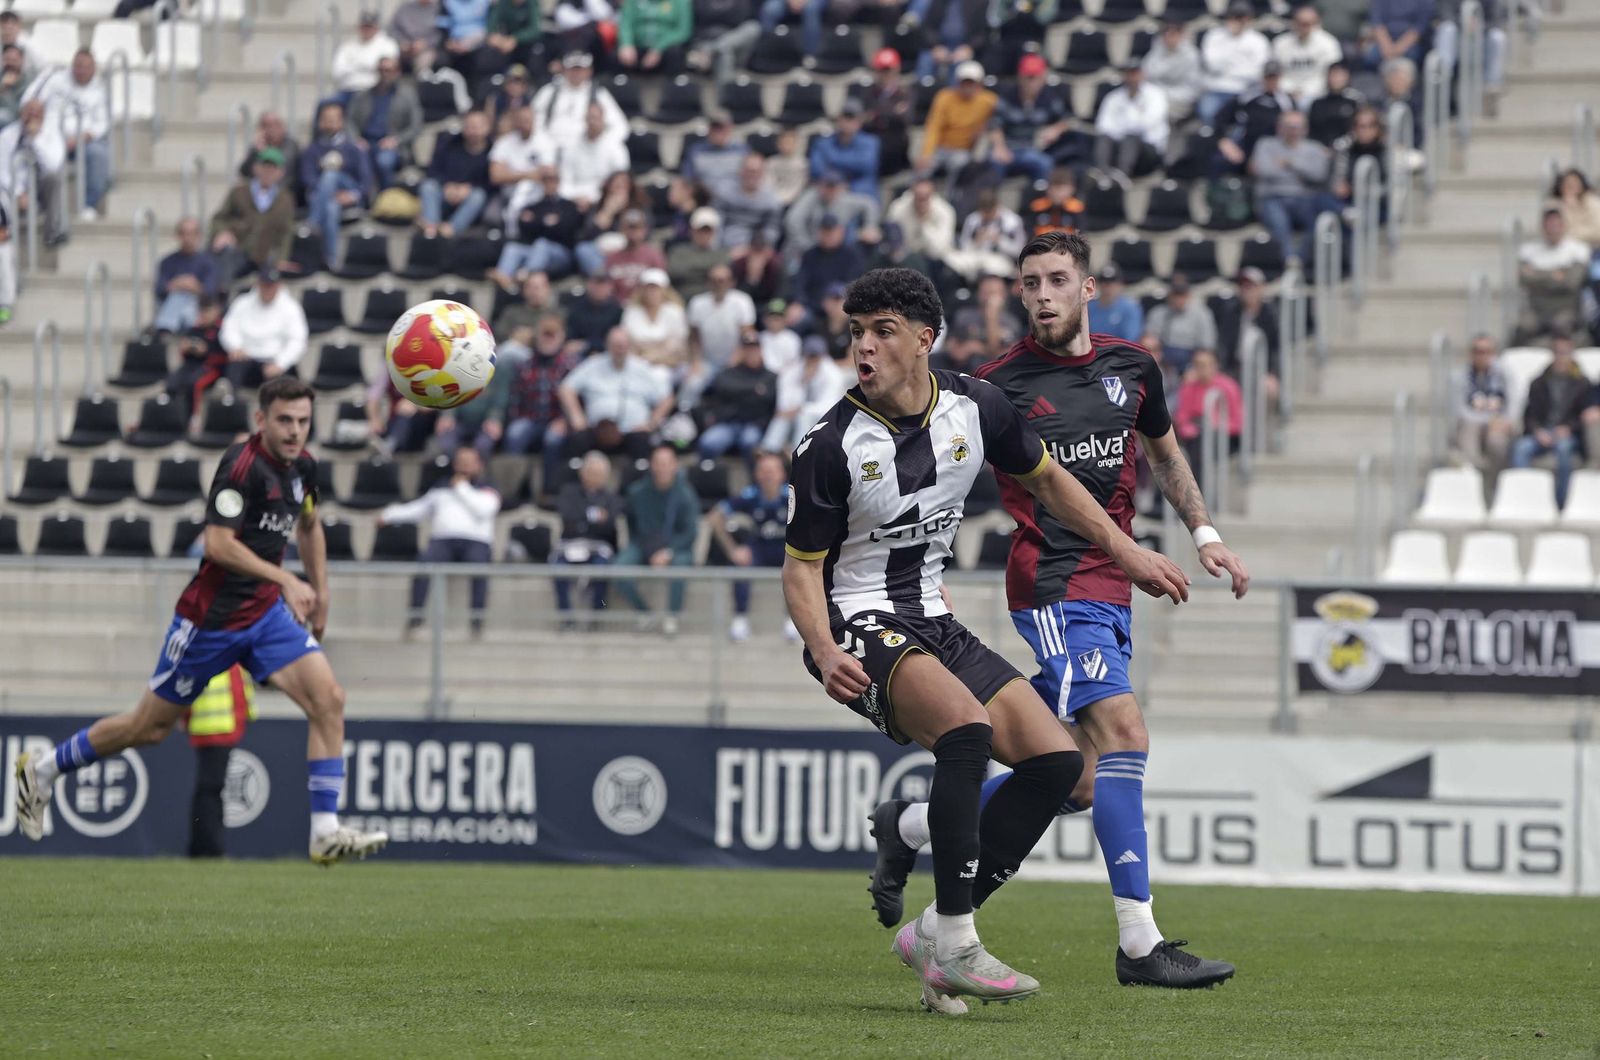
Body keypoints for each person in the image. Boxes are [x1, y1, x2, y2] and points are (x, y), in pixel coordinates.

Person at [783, 266, 1191, 1011]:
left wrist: (1128, 551)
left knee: (1062, 764)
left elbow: (1053, 482)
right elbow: (801, 569)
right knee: (966, 731)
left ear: (923, 340)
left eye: (882, 332)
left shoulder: (976, 407)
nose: (863, 348)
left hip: (930, 618)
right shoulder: (831, 444)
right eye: (856, 333)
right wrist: (823, 646)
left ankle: (931, 928)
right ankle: (959, 944)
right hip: (857, 618)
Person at [870, 234, 1242, 991]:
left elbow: (1165, 453)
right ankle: (1139, 944)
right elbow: (939, 472)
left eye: (1056, 280)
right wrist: (922, 567)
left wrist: (1205, 534)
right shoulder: (994, 386)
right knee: (1123, 734)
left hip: (1115, 583)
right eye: (1029, 282)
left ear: (1088, 287)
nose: (1042, 294)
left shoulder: (1132, 366)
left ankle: (911, 830)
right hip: (1055, 580)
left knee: (1070, 774)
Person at [13, 377, 387, 864]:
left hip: (266, 616)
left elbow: (310, 525)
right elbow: (218, 545)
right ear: (261, 420)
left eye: (303, 421)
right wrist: (288, 579)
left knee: (329, 700)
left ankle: (324, 830)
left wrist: (322, 590)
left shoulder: (305, 469)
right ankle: (42, 771)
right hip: (208, 622)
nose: (295, 431)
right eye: (285, 421)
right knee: (147, 729)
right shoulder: (242, 466)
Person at [381, 446, 501, 635]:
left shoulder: (488, 489)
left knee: (480, 568)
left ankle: (477, 620)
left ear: (479, 465)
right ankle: (416, 617)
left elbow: (483, 510)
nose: (464, 466)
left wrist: (461, 487)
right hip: (443, 542)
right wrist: (389, 515)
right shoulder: (441, 488)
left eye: (469, 462)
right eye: (461, 462)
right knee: (425, 562)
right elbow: (418, 509)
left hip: (476, 542)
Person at [615, 443, 699, 635]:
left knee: (681, 565)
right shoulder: (637, 492)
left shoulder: (686, 494)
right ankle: (644, 612)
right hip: (643, 544)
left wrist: (667, 552)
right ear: (651, 465)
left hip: (676, 548)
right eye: (658, 463)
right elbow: (633, 525)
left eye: (667, 463)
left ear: (675, 465)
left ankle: (672, 616)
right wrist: (649, 550)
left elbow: (689, 533)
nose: (662, 468)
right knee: (619, 568)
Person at [558, 325, 674, 464]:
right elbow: (566, 388)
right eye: (616, 345)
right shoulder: (592, 365)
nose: (619, 349)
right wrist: (577, 417)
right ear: (607, 345)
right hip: (598, 429)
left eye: (623, 345)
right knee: (577, 440)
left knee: (642, 444)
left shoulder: (643, 368)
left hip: (632, 431)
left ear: (629, 346)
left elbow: (667, 398)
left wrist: (651, 423)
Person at [709, 449, 790, 641]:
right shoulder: (750, 495)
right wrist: (733, 549)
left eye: (773, 470)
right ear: (756, 474)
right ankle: (740, 618)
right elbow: (715, 516)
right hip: (760, 547)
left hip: (787, 549)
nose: (768, 475)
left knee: (802, 568)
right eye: (763, 470)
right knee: (740, 565)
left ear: (782, 474)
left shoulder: (793, 495)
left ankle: (793, 620)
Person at [26, 49, 111, 221]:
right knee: (32, 152)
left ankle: (88, 204)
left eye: (86, 67)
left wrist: (79, 139)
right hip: (49, 135)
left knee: (98, 153)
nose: (81, 70)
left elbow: (101, 124)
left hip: (81, 141)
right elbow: (34, 102)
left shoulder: (99, 90)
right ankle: (37, 204)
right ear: (72, 65)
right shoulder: (56, 80)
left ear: (93, 69)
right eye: (78, 65)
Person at [182, 665, 256, 857]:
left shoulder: (209, 655)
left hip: (206, 728)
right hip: (220, 730)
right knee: (211, 790)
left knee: (207, 790)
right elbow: (240, 698)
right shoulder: (230, 661)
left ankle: (203, 846)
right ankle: (208, 848)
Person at [1510, 332, 1589, 507]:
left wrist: (1568, 428)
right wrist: (1538, 431)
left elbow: (1584, 416)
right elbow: (1529, 415)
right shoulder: (1538, 382)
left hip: (1568, 435)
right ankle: (1524, 500)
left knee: (1564, 448)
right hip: (1542, 433)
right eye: (1558, 352)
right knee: (1521, 448)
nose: (1561, 357)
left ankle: (1560, 504)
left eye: (1565, 352)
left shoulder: (1583, 383)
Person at [1248, 110, 1332, 264]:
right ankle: (1288, 261)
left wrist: (1290, 163)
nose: (1293, 130)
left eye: (1297, 126)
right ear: (1279, 127)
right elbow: (1263, 170)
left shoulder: (1314, 148)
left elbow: (1319, 174)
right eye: (1288, 126)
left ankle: (1299, 259)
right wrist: (1300, 173)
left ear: (1305, 129)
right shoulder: (1265, 144)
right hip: (1272, 197)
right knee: (1279, 223)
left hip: (1304, 198)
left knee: (1320, 221)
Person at [494, 165, 601, 284]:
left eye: (553, 179)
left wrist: (537, 221)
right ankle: (503, 279)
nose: (550, 183)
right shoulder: (534, 205)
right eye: (546, 179)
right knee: (513, 248)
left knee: (542, 244)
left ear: (558, 181)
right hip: (535, 250)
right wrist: (547, 222)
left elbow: (566, 230)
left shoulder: (569, 206)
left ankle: (527, 276)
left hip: (561, 255)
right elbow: (524, 227)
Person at [301, 102, 378, 264]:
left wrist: (352, 195)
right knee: (331, 208)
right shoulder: (312, 149)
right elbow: (307, 178)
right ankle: (331, 260)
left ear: (342, 121)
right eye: (325, 119)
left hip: (348, 193)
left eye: (333, 119)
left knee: (331, 175)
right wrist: (328, 193)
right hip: (326, 198)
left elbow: (366, 181)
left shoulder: (354, 148)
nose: (329, 123)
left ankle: (313, 222)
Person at [987, 54, 1083, 183]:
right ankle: (991, 201)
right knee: (992, 163)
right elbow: (994, 124)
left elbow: (1068, 119)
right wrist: (999, 147)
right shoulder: (1007, 95)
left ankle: (1039, 197)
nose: (1031, 82)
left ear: (1043, 77)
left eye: (1035, 77)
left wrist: (1055, 129)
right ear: (1020, 76)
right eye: (1028, 77)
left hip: (1031, 149)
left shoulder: (1049, 98)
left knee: (1045, 163)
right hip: (1007, 148)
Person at [553, 451, 622, 622]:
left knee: (601, 570)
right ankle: (566, 617)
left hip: (598, 547)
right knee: (558, 569)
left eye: (598, 474)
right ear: (582, 473)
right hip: (570, 544)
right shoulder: (569, 492)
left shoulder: (610, 498)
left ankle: (597, 614)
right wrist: (593, 516)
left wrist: (584, 518)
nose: (594, 477)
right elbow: (568, 517)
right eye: (590, 472)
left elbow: (609, 525)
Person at [219, 268, 309, 388]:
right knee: (232, 372)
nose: (268, 290)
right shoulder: (242, 302)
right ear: (258, 284)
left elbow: (297, 340)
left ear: (279, 286)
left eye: (272, 286)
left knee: (286, 384)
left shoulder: (291, 307)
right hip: (246, 357)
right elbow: (229, 327)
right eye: (265, 285)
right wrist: (235, 346)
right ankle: (230, 403)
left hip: (274, 360)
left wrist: (281, 363)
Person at [1515, 207, 1591, 344]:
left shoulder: (1577, 250)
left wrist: (1537, 275)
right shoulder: (1529, 250)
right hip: (1537, 309)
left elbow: (1571, 282)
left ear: (1564, 226)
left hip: (1566, 308)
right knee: (1522, 327)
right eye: (1549, 225)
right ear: (1543, 227)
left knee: (1562, 326)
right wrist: (1555, 275)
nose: (1553, 229)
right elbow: (1524, 279)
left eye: (1557, 225)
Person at [696, 328, 776, 458]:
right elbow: (722, 387)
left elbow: (769, 398)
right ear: (741, 351)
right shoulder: (730, 372)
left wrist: (739, 392)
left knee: (749, 442)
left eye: (754, 349)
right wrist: (753, 389)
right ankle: (705, 475)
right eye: (747, 349)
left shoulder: (770, 376)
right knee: (708, 443)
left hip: (754, 424)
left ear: (761, 350)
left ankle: (754, 478)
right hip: (729, 423)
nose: (751, 353)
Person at [1172, 348, 1243, 493]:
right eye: (1197, 365)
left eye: (1205, 364)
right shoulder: (1188, 387)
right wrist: (1191, 429)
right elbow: (1182, 418)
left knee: (1202, 445)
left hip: (1223, 436)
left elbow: (1237, 423)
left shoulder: (1228, 386)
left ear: (1215, 365)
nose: (1201, 369)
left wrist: (1215, 425)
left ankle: (1199, 495)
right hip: (1195, 434)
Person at [348, 56, 423, 189]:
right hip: (365, 142)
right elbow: (349, 121)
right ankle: (362, 200)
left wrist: (396, 140)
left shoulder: (407, 95)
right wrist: (356, 139)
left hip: (392, 145)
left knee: (384, 161)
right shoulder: (363, 95)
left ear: (397, 72)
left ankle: (385, 197)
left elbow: (416, 126)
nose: (384, 74)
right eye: (381, 70)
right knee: (358, 159)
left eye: (388, 70)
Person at [762, 333, 846, 451]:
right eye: (810, 355)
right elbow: (784, 404)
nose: (812, 359)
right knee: (781, 419)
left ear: (823, 355)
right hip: (794, 414)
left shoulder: (833, 374)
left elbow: (828, 406)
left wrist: (802, 409)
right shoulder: (792, 371)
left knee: (803, 417)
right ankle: (768, 450)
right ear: (804, 354)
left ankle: (797, 454)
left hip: (823, 419)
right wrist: (804, 382)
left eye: (815, 356)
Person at [530, 51, 628, 152]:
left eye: (580, 70)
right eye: (572, 69)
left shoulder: (599, 94)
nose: (576, 73)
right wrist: (543, 143)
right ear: (564, 70)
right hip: (550, 149)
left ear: (589, 71)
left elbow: (620, 126)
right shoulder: (549, 91)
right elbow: (532, 120)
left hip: (586, 151)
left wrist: (600, 145)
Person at [916, 60, 997, 180]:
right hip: (940, 148)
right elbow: (934, 127)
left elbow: (997, 123)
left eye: (972, 83)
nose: (968, 87)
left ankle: (953, 197)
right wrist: (926, 154)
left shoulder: (988, 101)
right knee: (922, 169)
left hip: (963, 150)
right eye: (965, 82)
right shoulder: (944, 97)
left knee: (960, 165)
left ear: (979, 84)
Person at [419, 109, 493, 239]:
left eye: (477, 127)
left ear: (487, 128)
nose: (473, 131)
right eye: (469, 127)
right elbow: (432, 170)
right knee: (428, 186)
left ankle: (450, 230)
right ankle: (431, 229)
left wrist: (468, 188)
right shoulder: (449, 144)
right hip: (446, 192)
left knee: (478, 196)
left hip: (471, 198)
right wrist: (447, 185)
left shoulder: (494, 151)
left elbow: (492, 182)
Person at [0, 98, 64, 246]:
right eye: (28, 112)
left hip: (39, 188)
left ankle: (52, 233)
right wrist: (18, 192)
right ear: (21, 114)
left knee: (53, 178)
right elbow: (1, 169)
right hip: (13, 191)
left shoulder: (51, 135)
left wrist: (35, 139)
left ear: (43, 116)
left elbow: (53, 164)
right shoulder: (7, 136)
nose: (31, 117)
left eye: (36, 113)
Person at [1197, 0, 1269, 125]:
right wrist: (1234, 46)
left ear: (1249, 18)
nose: (1237, 21)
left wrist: (1229, 68)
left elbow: (1257, 73)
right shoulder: (1213, 36)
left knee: (1245, 119)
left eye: (1241, 17)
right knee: (1207, 112)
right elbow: (1212, 66)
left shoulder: (1258, 41)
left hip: (1245, 91)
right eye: (1234, 16)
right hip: (1216, 89)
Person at [1454, 333, 1514, 471]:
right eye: (1477, 351)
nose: (1482, 356)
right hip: (1473, 422)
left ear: (1494, 353)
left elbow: (1514, 402)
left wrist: (1504, 420)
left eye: (1486, 351)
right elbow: (1460, 409)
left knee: (1496, 441)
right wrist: (1486, 421)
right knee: (1468, 430)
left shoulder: (1504, 374)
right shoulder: (1461, 376)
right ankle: (1474, 473)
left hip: (1499, 422)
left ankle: (1494, 480)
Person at [154, 217, 221, 335]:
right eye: (184, 234)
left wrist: (194, 287)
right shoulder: (167, 261)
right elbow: (159, 289)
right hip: (173, 304)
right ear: (178, 236)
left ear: (198, 236)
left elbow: (210, 291)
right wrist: (176, 284)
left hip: (197, 307)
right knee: (178, 297)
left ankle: (166, 325)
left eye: (191, 234)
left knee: (183, 298)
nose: (187, 238)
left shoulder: (208, 262)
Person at [165, 295, 228, 421]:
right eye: (201, 310)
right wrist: (185, 348)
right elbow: (184, 355)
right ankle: (171, 417)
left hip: (211, 367)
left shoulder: (223, 329)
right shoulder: (194, 329)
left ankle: (193, 418)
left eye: (207, 310)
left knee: (194, 384)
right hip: (190, 365)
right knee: (172, 382)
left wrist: (206, 352)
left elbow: (224, 356)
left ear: (216, 310)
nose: (203, 314)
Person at [1142, 273, 1216, 377]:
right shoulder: (1158, 313)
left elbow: (1206, 347)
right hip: (1163, 360)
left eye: (1182, 295)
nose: (1179, 299)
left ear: (1188, 295)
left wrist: (1194, 369)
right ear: (1170, 295)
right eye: (1176, 295)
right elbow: (1149, 341)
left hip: (1190, 360)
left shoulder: (1202, 314)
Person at [687, 262, 757, 370]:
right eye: (713, 280)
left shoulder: (742, 301)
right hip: (706, 362)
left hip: (735, 362)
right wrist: (696, 361)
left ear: (731, 282)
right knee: (692, 384)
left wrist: (735, 360)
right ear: (708, 282)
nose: (718, 285)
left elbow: (747, 336)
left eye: (721, 281)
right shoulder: (697, 303)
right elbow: (694, 338)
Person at [858, 47, 915, 177]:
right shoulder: (868, 93)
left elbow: (906, 119)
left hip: (896, 145)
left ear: (896, 69)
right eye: (881, 70)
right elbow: (864, 121)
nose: (885, 74)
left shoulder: (905, 93)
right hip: (873, 142)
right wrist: (892, 112)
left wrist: (877, 115)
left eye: (888, 70)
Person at [810, 98, 882, 201]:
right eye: (845, 117)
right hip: (830, 192)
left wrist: (832, 160)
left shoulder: (871, 142)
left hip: (860, 194)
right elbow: (816, 169)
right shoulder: (823, 142)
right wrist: (838, 181)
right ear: (838, 119)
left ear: (860, 121)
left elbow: (866, 165)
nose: (848, 122)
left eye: (852, 117)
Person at [622, 268, 689, 372]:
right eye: (649, 288)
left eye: (656, 288)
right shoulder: (632, 312)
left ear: (664, 290)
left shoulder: (675, 312)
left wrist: (655, 356)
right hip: (637, 362)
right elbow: (627, 339)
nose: (652, 292)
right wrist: (643, 356)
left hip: (669, 364)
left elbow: (678, 343)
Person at [1273, 5, 1342, 105]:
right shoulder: (1280, 43)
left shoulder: (1328, 43)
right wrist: (1290, 90)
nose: (1304, 27)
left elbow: (1333, 75)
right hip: (1285, 93)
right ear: (1293, 23)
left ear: (1317, 23)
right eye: (1300, 23)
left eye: (1308, 24)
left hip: (1318, 93)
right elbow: (1274, 73)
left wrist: (1307, 92)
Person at [715, 153, 784, 250]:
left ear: (762, 173)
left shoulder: (771, 200)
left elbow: (772, 228)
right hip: (724, 245)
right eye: (749, 171)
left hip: (754, 248)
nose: (752, 175)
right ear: (741, 171)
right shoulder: (725, 192)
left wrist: (758, 246)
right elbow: (716, 221)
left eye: (756, 171)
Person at [331, 10, 399, 103]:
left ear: (376, 28)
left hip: (375, 91)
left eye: (370, 27)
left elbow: (387, 68)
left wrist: (353, 65)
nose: (366, 30)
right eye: (364, 27)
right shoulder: (348, 46)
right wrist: (366, 66)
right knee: (326, 105)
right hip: (349, 90)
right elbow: (337, 72)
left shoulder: (387, 44)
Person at [1141, 19, 1201, 120]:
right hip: (1156, 95)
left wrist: (1162, 95)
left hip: (1180, 99)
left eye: (1173, 33)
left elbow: (1192, 89)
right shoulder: (1156, 50)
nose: (1169, 37)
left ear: (1181, 35)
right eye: (1166, 33)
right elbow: (1146, 74)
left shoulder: (1191, 55)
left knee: (1155, 110)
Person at [668, 206, 732, 300]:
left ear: (714, 232)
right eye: (700, 230)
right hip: (683, 299)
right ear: (691, 230)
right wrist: (707, 270)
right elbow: (675, 272)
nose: (703, 234)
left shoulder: (722, 253)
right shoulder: (678, 251)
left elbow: (722, 274)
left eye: (707, 231)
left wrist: (690, 268)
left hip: (712, 300)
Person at [603, 209, 668, 300]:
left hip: (644, 305)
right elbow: (608, 288)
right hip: (618, 306)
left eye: (637, 228)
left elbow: (661, 286)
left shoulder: (654, 255)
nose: (633, 233)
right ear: (622, 229)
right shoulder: (612, 257)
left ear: (645, 230)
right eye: (629, 228)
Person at [617, 0, 694, 74]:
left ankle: (673, 85)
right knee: (615, 57)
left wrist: (658, 48)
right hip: (638, 47)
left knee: (675, 54)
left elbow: (683, 31)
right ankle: (622, 84)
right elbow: (625, 23)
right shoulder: (632, 2)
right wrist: (626, 43)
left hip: (666, 49)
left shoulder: (680, 2)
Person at [238, 111, 302, 194]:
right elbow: (244, 172)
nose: (271, 129)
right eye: (266, 126)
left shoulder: (291, 146)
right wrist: (255, 153)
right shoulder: (258, 146)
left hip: (285, 194)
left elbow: (283, 171)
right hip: (259, 195)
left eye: (275, 124)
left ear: (282, 126)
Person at [566, 271, 624, 354]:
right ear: (588, 285)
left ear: (610, 287)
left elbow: (616, 339)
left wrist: (588, 345)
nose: (599, 288)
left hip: (607, 354)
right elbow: (571, 338)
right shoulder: (577, 308)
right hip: (580, 355)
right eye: (596, 284)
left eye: (603, 284)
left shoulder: (617, 310)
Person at [1085, 263, 1142, 343]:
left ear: (1120, 285)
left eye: (1112, 282)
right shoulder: (1089, 308)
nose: (1108, 287)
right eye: (1104, 282)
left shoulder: (1130, 308)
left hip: (1121, 352)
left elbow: (1131, 339)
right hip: (1094, 351)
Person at [1308, 62, 1363, 146]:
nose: (1336, 79)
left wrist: (1343, 144)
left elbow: (1359, 127)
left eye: (1340, 75)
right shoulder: (1317, 102)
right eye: (1333, 75)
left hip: (1348, 147)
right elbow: (1312, 129)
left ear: (1347, 77)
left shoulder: (1355, 100)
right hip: (1319, 148)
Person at [390, 0, 443, 72]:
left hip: (427, 48)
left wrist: (425, 43)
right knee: (389, 60)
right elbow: (393, 29)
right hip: (404, 47)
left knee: (424, 61)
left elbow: (440, 33)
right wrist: (402, 42)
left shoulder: (438, 9)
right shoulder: (405, 8)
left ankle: (420, 82)